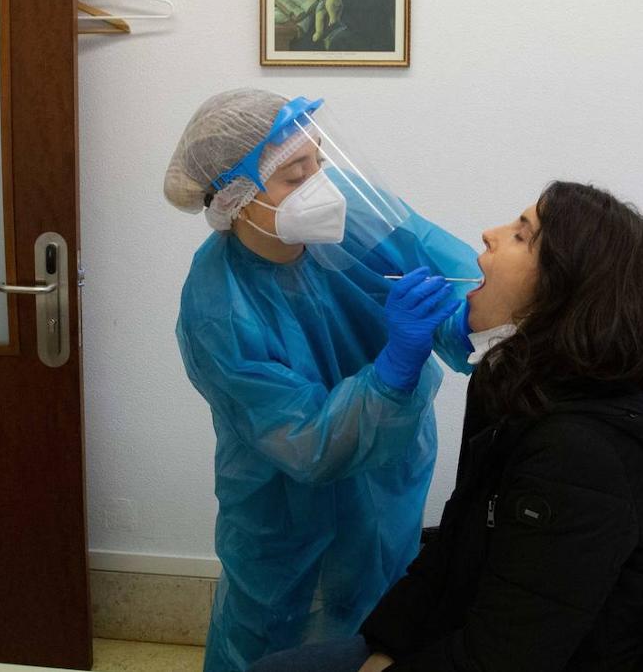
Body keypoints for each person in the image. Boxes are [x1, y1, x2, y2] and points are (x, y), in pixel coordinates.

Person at [249, 181, 643, 672]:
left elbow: (507, 656)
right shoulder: (515, 384)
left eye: (522, 236)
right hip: (470, 631)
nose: (489, 235)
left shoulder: (580, 454)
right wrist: (385, 647)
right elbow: (456, 542)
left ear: (563, 288)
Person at [163, 88, 481, 672]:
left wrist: (480, 325)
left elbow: (450, 272)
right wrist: (394, 368)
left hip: (386, 480)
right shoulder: (218, 306)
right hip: (283, 507)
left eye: (319, 160)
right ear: (236, 198)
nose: (319, 185)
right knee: (271, 635)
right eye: (293, 174)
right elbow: (307, 440)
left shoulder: (354, 220)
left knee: (381, 617)